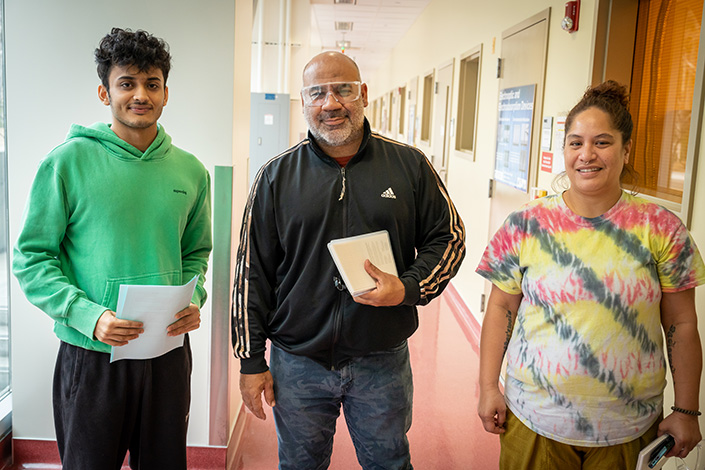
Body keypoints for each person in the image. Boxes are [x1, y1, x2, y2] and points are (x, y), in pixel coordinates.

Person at [232, 51, 465, 469]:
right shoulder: (275, 177)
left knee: (389, 463)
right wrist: (251, 361)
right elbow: (251, 274)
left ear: (364, 95)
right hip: (297, 361)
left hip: (381, 359)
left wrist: (409, 288)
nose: (331, 103)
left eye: (344, 89)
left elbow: (449, 239)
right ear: (303, 103)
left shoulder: (408, 166)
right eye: (317, 93)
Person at [476, 80, 705, 469]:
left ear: (626, 148)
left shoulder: (660, 228)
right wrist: (486, 387)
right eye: (576, 142)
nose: (587, 155)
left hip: (627, 427)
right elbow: (500, 308)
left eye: (602, 142)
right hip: (535, 419)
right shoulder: (526, 224)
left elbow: (681, 323)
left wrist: (686, 410)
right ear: (564, 149)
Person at [12, 28, 212, 470]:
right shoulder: (66, 162)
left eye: (152, 84)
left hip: (167, 355)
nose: (140, 94)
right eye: (127, 83)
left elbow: (197, 253)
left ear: (165, 93)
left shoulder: (192, 171)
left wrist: (193, 298)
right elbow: (32, 258)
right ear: (105, 92)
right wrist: (90, 316)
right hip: (92, 357)